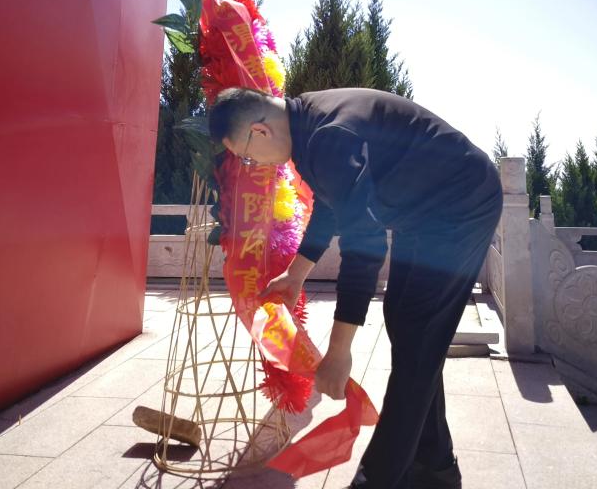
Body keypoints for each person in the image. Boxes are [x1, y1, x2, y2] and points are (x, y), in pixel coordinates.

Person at [208, 87, 503, 489]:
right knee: (406, 325)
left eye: (245, 155)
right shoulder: (307, 126)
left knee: (417, 336)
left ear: (259, 131)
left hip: (462, 204)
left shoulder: (329, 134)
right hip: (424, 213)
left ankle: (378, 478)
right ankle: (436, 468)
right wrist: (296, 273)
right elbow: (331, 204)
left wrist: (339, 350)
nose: (252, 163)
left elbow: (364, 245)